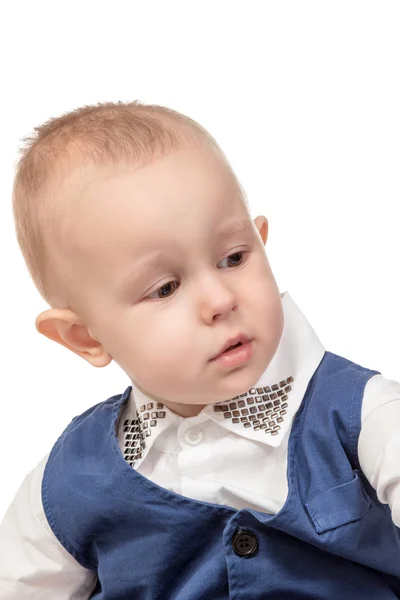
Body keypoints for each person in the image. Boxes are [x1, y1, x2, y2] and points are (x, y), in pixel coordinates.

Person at [1, 101, 400, 599]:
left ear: (262, 240)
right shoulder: (69, 478)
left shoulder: (365, 415)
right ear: (86, 337)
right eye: (166, 288)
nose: (220, 299)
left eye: (234, 257)